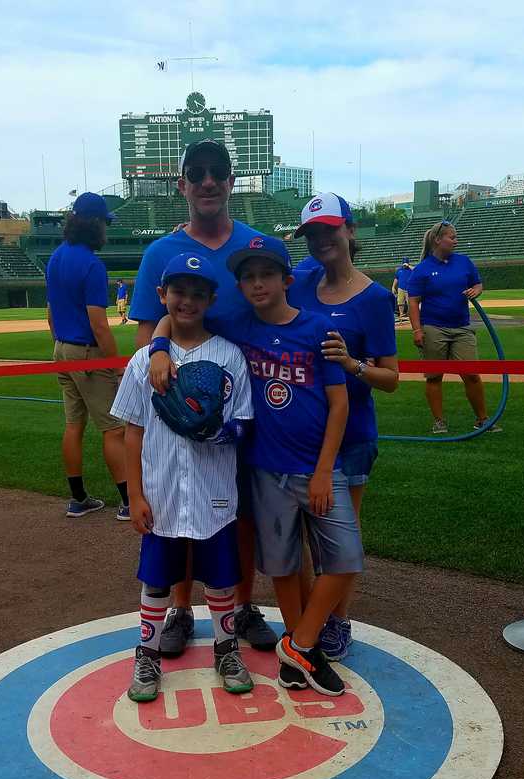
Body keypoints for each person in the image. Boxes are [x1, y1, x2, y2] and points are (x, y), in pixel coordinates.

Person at [150, 236, 363, 695]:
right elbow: (175, 312)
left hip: (318, 468)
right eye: (248, 276)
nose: (257, 282)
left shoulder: (318, 329)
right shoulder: (237, 324)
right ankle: (300, 654)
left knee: (345, 560)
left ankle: (300, 642)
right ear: (239, 285)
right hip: (266, 469)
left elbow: (339, 405)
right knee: (283, 567)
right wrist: (159, 349)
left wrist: (326, 469)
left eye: (266, 274)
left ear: (287, 280)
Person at [127, 138, 275, 653]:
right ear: (183, 184)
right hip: (183, 403)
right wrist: (163, 349)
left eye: (218, 172)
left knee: (238, 510)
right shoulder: (160, 252)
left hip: (246, 399)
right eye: (198, 173)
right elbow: (147, 333)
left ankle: (242, 601)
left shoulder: (256, 246)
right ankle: (181, 609)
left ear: (231, 181)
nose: (208, 181)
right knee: (178, 505)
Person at [111, 253, 256, 702]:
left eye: (197, 293)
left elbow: (243, 422)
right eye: (178, 292)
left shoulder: (229, 356)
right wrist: (134, 495)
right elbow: (131, 433)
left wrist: (215, 430)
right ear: (162, 296)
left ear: (211, 299)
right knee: (157, 579)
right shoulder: (143, 361)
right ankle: (148, 657)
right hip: (161, 490)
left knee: (220, 579)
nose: (187, 301)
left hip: (213, 489)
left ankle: (226, 649)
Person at [288, 193, 399, 661]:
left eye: (329, 230)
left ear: (350, 231)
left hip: (351, 436)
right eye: (312, 234)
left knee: (339, 539)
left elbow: (391, 378)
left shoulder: (374, 298)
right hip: (298, 435)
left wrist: (353, 365)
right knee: (303, 538)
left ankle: (336, 621)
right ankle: (315, 618)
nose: (320, 241)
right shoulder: (301, 281)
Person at [44, 192, 130, 519]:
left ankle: (78, 498)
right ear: (94, 223)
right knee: (113, 429)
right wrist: (116, 366)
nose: (107, 230)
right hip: (88, 354)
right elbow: (100, 326)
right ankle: (126, 502)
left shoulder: (55, 257)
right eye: (105, 223)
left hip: (61, 350)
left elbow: (50, 315)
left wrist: (62, 348)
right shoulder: (92, 264)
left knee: (73, 425)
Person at [405, 221, 494, 434]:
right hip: (433, 328)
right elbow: (413, 303)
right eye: (452, 237)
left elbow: (477, 283)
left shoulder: (463, 262)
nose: (456, 240)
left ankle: (483, 420)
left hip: (462, 327)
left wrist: (476, 290)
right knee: (434, 376)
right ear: (438, 240)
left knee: (472, 374)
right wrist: (417, 330)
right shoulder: (422, 269)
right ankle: (439, 421)